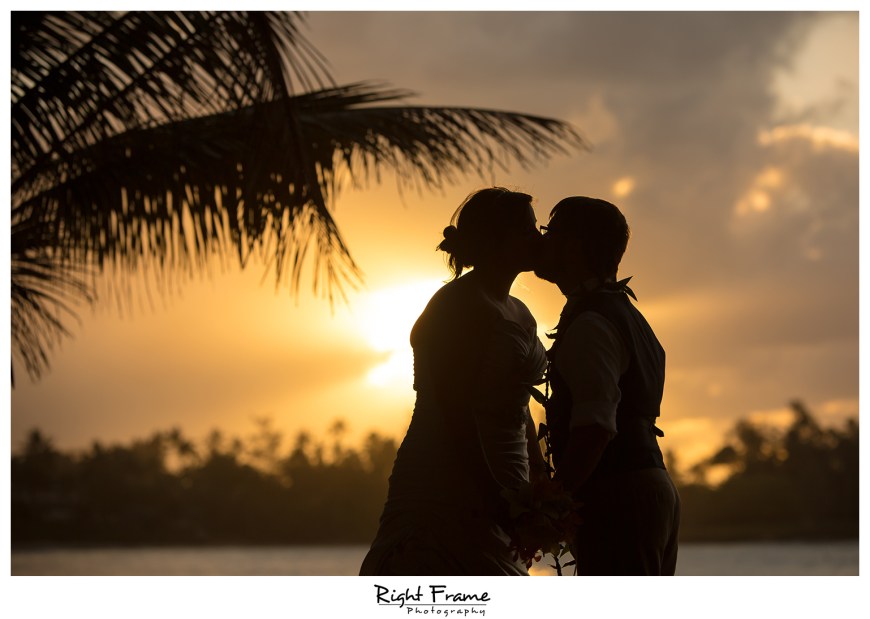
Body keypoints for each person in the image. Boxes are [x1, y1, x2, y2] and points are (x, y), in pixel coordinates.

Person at [359, 187, 548, 576]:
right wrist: (491, 490)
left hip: (508, 469)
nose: (538, 239)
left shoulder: (521, 312)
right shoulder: (458, 306)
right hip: (450, 469)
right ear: (496, 239)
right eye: (527, 230)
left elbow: (519, 402)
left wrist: (538, 473)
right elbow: (454, 408)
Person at [534, 196, 680, 575]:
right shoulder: (629, 317)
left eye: (551, 233)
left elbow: (596, 425)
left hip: (620, 495)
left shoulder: (591, 324)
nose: (542, 242)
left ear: (575, 246)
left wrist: (553, 502)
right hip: (648, 485)